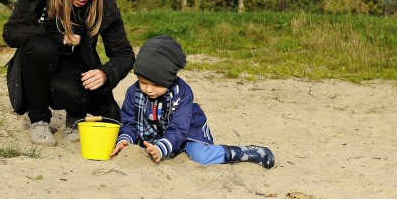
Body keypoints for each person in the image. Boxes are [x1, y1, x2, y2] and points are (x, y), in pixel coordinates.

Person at [3, 0, 135, 147]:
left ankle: (76, 116)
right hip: (38, 64)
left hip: (75, 68)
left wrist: (106, 73)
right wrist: (53, 34)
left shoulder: (103, 1)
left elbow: (125, 54)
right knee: (41, 47)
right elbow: (10, 33)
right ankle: (38, 119)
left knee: (71, 91)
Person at [110, 35, 275, 168]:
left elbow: (179, 128)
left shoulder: (182, 94)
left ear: (169, 79)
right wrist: (125, 140)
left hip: (185, 131)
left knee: (200, 156)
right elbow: (129, 123)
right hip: (151, 134)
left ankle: (242, 153)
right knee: (135, 147)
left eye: (156, 84)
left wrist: (161, 148)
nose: (148, 89)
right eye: (143, 82)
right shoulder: (134, 92)